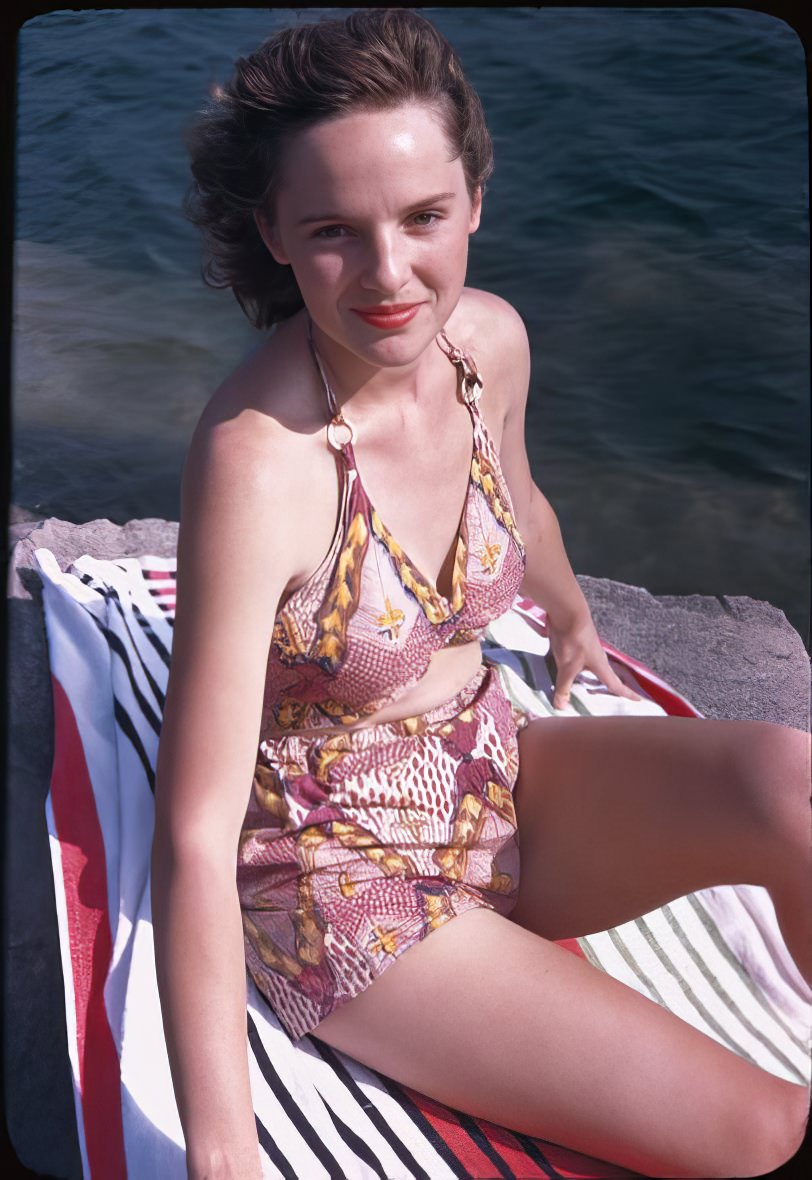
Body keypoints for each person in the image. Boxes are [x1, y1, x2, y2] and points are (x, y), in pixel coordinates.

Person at [150, 9, 811, 1179]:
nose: (390, 273)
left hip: (491, 763)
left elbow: (520, 495)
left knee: (791, 782)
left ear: (473, 198)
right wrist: (222, 1147)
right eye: (333, 232)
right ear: (275, 236)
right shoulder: (259, 458)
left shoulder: (484, 345)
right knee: (758, 1134)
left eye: (422, 217)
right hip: (337, 874)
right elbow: (196, 834)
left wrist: (569, 618)